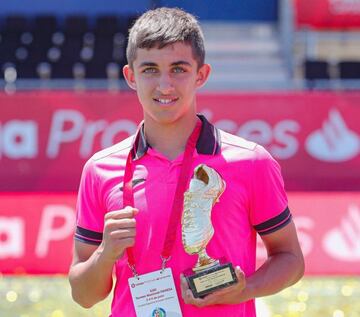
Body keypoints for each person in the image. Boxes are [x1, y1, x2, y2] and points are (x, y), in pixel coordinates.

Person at [68, 7, 305, 317]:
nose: (164, 85)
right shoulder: (100, 170)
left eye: (178, 69)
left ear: (201, 75)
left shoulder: (250, 162)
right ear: (130, 76)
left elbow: (291, 259)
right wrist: (104, 254)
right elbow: (84, 296)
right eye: (150, 69)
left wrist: (245, 290)